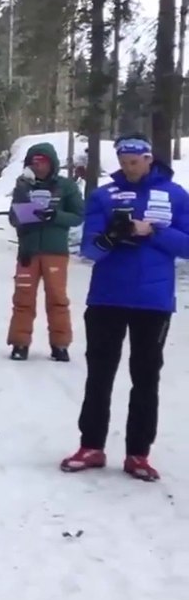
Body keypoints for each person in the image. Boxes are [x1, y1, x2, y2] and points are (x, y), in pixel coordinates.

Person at [60, 134, 189, 481]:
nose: (128, 167)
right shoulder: (104, 195)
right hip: (107, 298)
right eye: (122, 161)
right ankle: (91, 446)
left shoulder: (176, 196)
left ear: (149, 159)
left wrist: (153, 232)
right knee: (99, 375)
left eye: (134, 161)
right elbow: (90, 249)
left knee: (145, 377)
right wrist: (113, 237)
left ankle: (138, 454)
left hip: (153, 302)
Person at [5, 142, 84, 361]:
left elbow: (78, 215)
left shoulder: (66, 186)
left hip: (55, 251)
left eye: (43, 162)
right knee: (23, 298)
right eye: (34, 162)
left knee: (57, 298)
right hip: (28, 251)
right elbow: (13, 217)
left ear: (52, 164)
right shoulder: (23, 185)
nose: (39, 167)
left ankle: (60, 345)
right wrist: (28, 210)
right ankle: (19, 343)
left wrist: (55, 216)